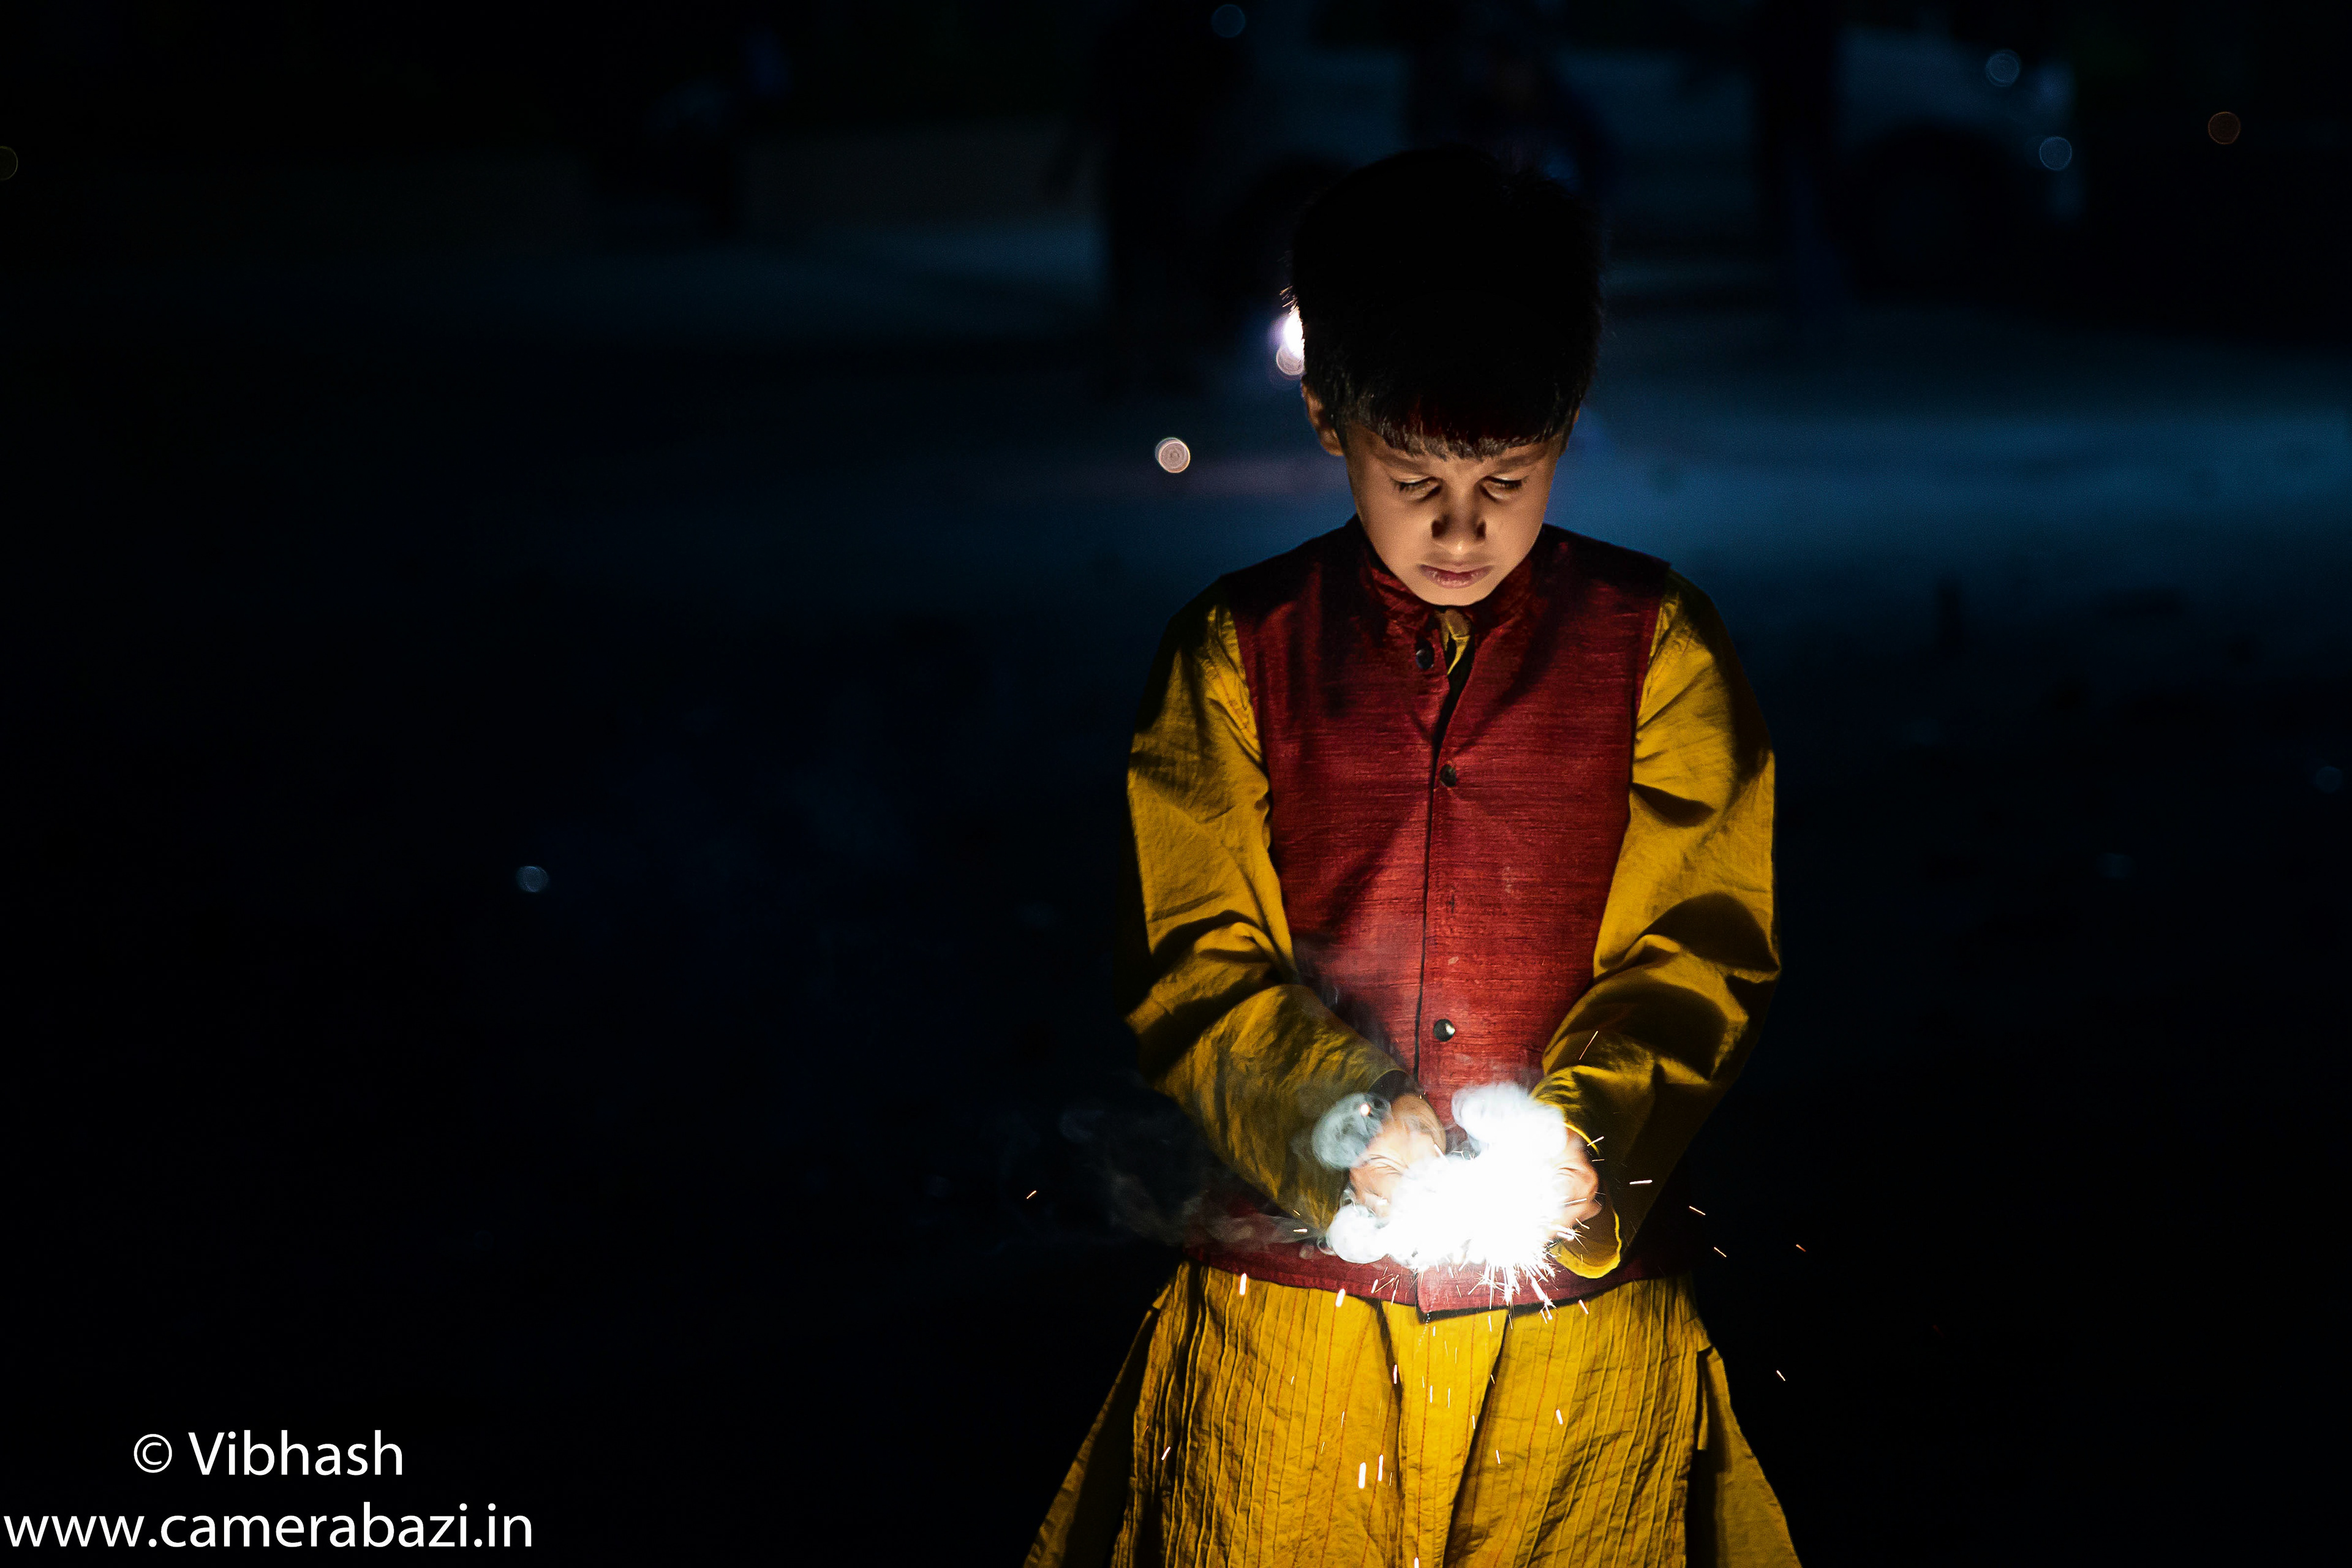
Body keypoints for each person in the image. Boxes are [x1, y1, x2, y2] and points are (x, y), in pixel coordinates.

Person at [1028, 148, 1798, 1568]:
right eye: (1414, 476)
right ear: (1329, 413)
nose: (1462, 526)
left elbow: (1699, 944)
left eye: (1508, 476)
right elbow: (1199, 961)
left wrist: (1585, 1129)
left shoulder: (1661, 647)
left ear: (1570, 424)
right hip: (1290, 1309)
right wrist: (1333, 1121)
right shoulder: (1234, 654)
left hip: (1576, 1329)